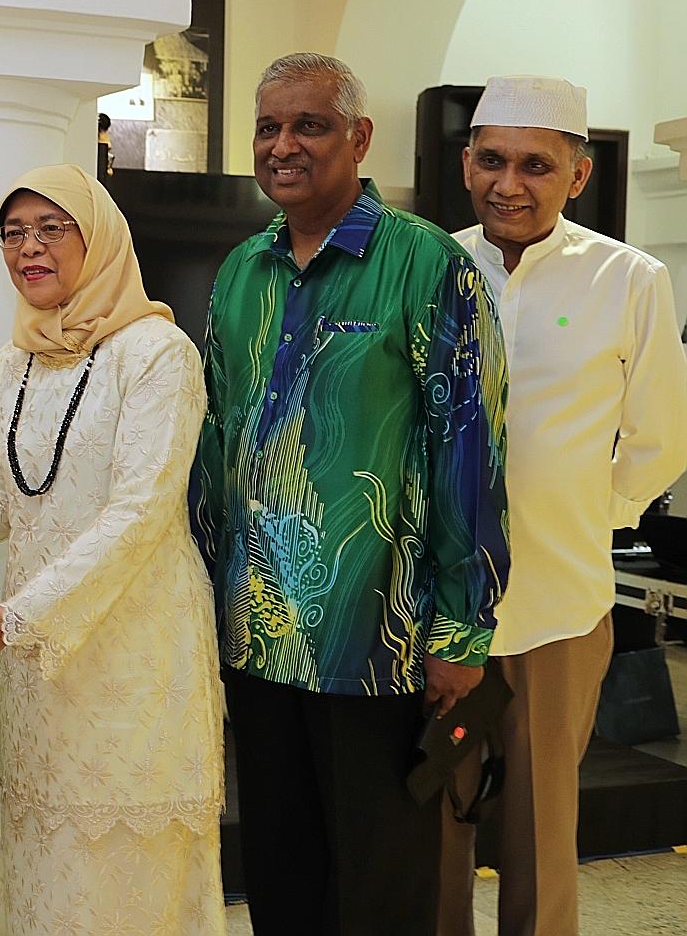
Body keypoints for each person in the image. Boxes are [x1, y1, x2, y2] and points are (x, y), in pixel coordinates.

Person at [191, 52, 510, 936]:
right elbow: (214, 447)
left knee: (379, 889)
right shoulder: (240, 273)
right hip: (257, 637)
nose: (283, 145)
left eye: (310, 125)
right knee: (281, 875)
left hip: (380, 640)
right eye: (268, 127)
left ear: (359, 138)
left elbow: (469, 453)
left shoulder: (424, 265)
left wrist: (462, 630)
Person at [0, 164, 226, 933]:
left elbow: (140, 511)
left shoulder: (157, 353)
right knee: (48, 868)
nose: (29, 249)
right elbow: (7, 492)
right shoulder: (8, 364)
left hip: (136, 656)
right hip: (44, 668)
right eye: (14, 233)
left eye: (52, 229)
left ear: (100, 238)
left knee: (127, 868)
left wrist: (14, 618)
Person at [436, 76, 687, 936]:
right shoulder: (427, 265)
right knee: (433, 820)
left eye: (536, 164)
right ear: (467, 163)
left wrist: (586, 514)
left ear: (576, 176)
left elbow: (661, 437)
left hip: (560, 600)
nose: (511, 182)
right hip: (435, 606)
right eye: (493, 160)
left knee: (543, 831)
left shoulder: (630, 279)